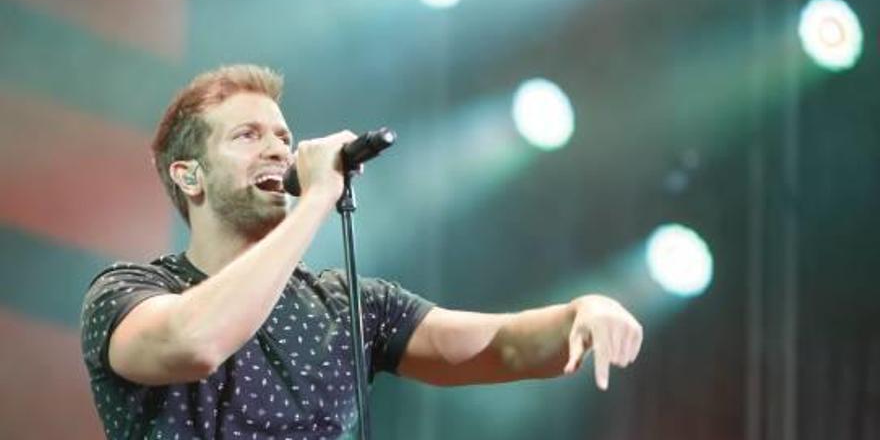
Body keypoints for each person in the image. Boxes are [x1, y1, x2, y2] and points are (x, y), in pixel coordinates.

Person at [80, 64, 643, 440]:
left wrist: (583, 311)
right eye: (247, 136)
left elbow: (504, 348)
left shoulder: (349, 306)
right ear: (190, 176)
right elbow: (195, 342)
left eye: (282, 137)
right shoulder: (129, 292)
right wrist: (320, 196)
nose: (278, 150)